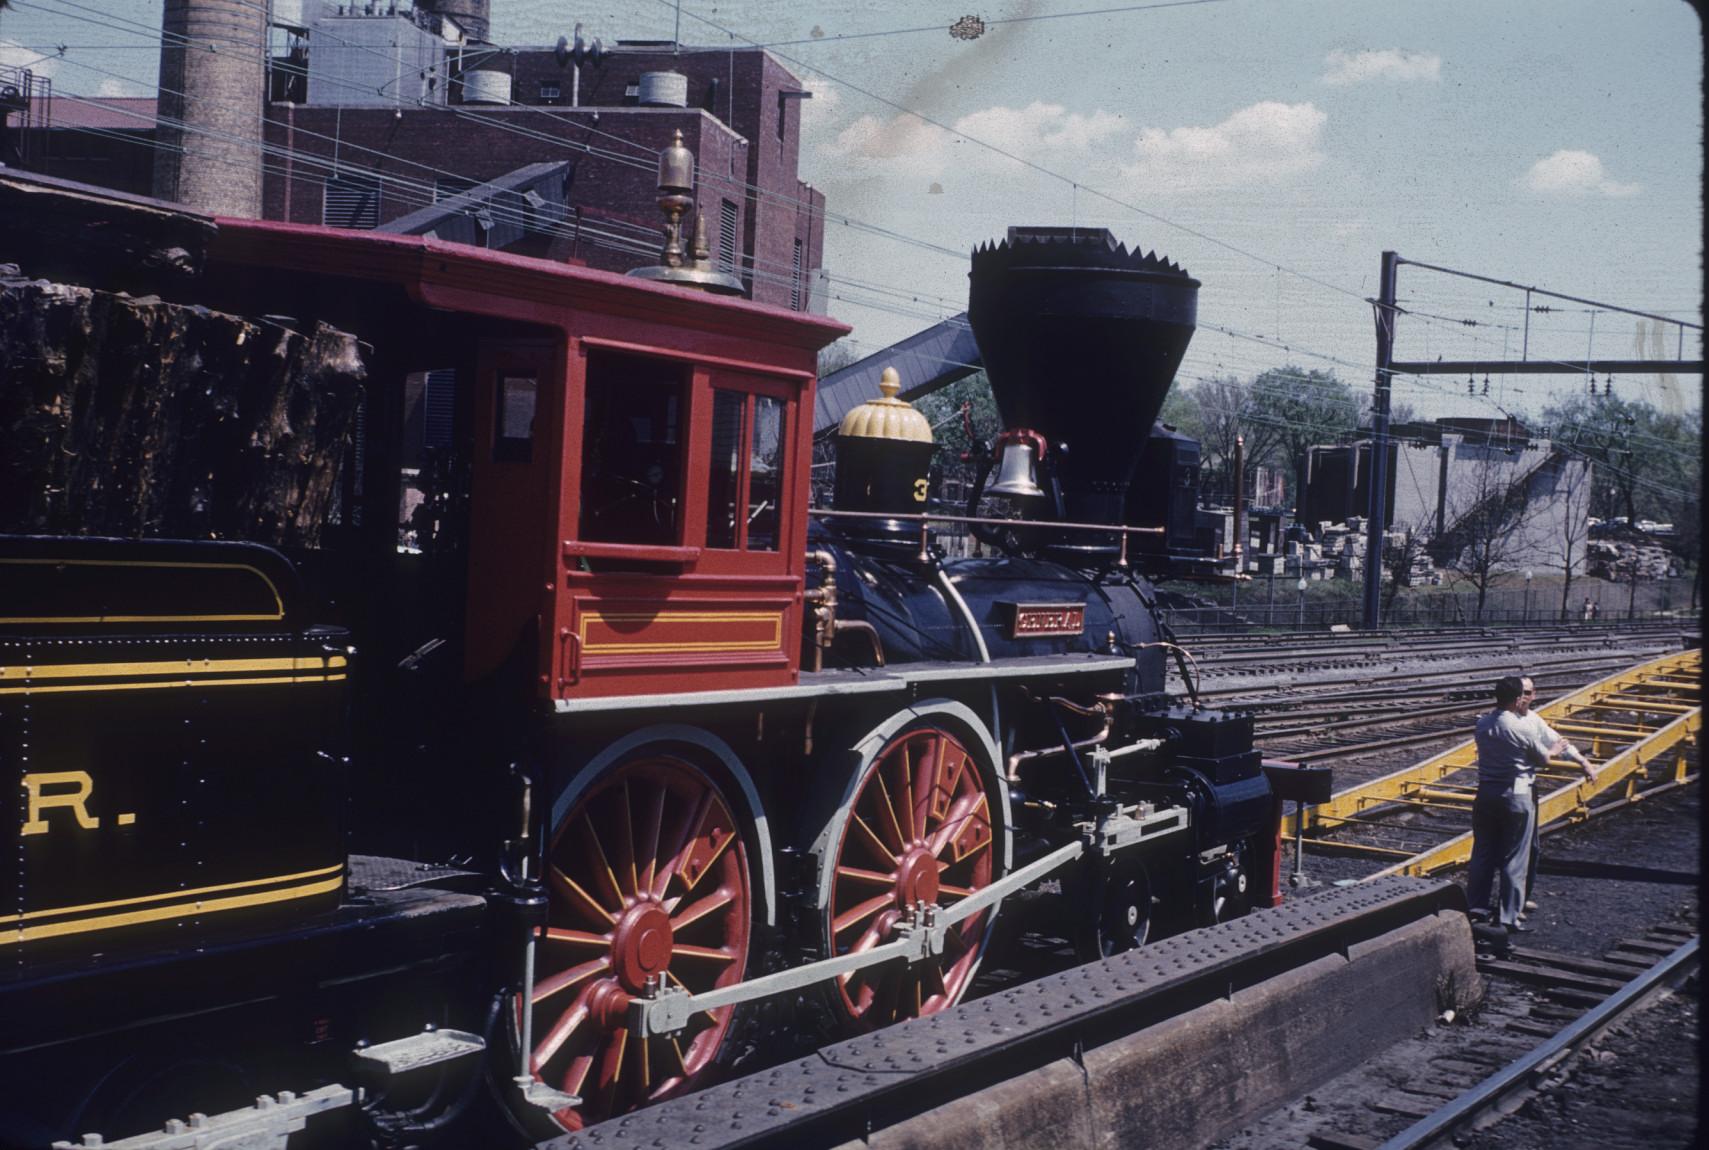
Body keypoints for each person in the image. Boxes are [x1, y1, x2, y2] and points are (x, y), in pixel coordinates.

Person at [1466, 675, 1565, 933]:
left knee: (1482, 852)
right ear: (1518, 698)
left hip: (1486, 792)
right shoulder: (1521, 728)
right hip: (1516, 794)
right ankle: (1508, 917)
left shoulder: (1483, 724)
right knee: (1515, 857)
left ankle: (1476, 906)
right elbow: (1544, 759)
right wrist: (1555, 750)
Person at [1514, 675, 1596, 915]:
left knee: (1530, 848)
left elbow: (1558, 740)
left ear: (1534, 694)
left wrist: (1583, 761)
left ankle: (1520, 898)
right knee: (1513, 851)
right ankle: (1510, 905)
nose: (1524, 697)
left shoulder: (1533, 719)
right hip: (1512, 791)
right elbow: (1545, 755)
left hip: (1525, 789)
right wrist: (1551, 753)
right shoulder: (1509, 723)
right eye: (1520, 692)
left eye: (1528, 693)